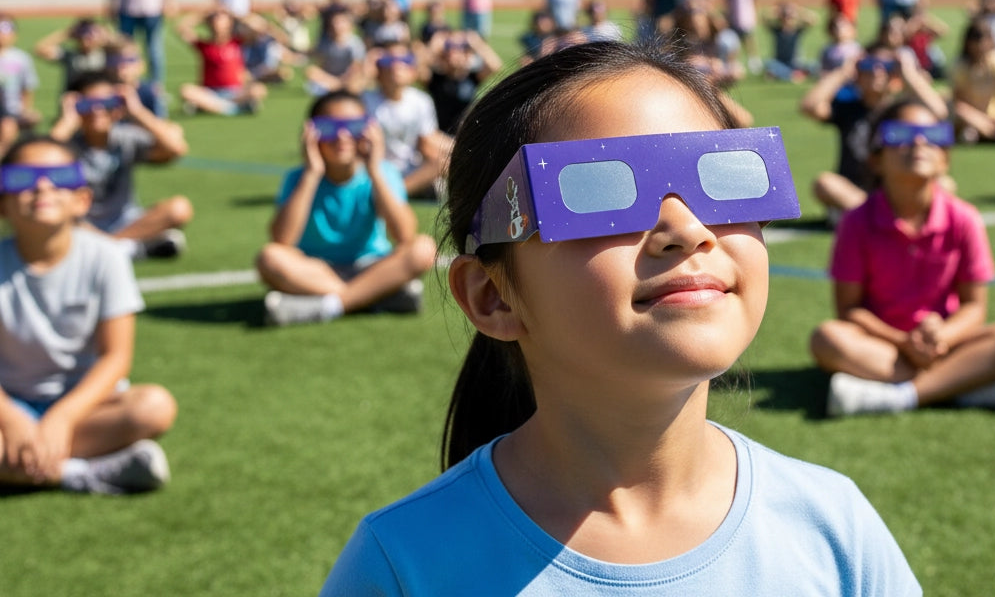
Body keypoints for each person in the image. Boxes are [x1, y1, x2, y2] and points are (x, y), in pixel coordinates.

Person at [320, 41, 921, 595]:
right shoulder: (402, 565)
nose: (686, 229)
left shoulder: (835, 529)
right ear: (493, 297)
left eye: (724, 175)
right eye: (600, 190)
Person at [809, 98, 995, 416]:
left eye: (934, 135)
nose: (919, 143)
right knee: (827, 339)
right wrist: (903, 341)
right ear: (875, 159)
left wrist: (943, 337)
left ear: (945, 159)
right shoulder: (856, 221)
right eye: (900, 135)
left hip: (946, 342)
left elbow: (974, 307)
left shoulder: (965, 218)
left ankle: (900, 396)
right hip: (884, 346)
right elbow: (849, 310)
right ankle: (964, 382)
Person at [0, 136, 177, 494]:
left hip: (85, 407)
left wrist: (62, 418)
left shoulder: (106, 257)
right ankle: (80, 473)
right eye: (22, 179)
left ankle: (30, 462)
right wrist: (12, 419)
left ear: (82, 199)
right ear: (3, 202)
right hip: (7, 406)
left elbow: (116, 357)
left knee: (154, 406)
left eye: (60, 177)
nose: (43, 186)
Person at [256, 90, 436, 327]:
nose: (342, 136)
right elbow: (282, 239)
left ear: (369, 130)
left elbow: (404, 234)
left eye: (354, 126)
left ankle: (330, 306)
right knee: (269, 258)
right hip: (316, 272)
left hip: (371, 266)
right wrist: (312, 174)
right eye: (328, 127)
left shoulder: (383, 172)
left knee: (424, 248)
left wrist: (374, 170)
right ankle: (375, 297)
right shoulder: (299, 177)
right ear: (311, 133)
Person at [51, 72, 193, 260]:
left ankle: (109, 249)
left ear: (117, 108)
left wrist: (136, 111)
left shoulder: (124, 137)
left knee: (179, 208)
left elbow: (176, 148)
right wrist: (66, 122)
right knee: (52, 219)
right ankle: (130, 249)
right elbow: (35, 165)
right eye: (87, 105)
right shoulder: (66, 146)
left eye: (107, 103)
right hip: (81, 225)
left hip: (127, 223)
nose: (97, 111)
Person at [801, 46, 948, 220]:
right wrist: (842, 72)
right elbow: (809, 106)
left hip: (896, 187)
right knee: (825, 183)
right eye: (868, 66)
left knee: (946, 184)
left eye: (885, 67)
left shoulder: (901, 113)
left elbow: (940, 113)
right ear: (858, 75)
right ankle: (880, 213)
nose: (877, 72)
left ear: (894, 76)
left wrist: (908, 74)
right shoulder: (848, 108)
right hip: (853, 189)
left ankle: (874, 215)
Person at [362, 46, 445, 198]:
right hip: (374, 166)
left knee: (443, 162)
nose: (396, 66)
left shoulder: (421, 101)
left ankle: (395, 193)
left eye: (404, 61)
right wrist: (365, 66)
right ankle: (396, 193)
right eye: (388, 61)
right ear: (378, 72)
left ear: (413, 72)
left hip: (409, 169)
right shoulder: (364, 100)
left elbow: (427, 142)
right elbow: (339, 97)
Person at [175, 9, 267, 116]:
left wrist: (236, 16)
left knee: (258, 90)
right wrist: (203, 16)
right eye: (215, 22)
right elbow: (180, 28)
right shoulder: (204, 45)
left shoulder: (237, 43)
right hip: (210, 93)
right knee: (186, 91)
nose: (219, 27)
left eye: (223, 23)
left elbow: (260, 27)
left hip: (235, 92)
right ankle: (234, 109)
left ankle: (210, 107)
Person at [950, 18, 995, 143]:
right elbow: (959, 103)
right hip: (973, 119)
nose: (981, 47)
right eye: (977, 42)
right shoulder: (961, 66)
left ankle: (993, 135)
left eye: (985, 41)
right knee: (963, 121)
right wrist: (983, 122)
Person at [425, 30, 502, 135]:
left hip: (463, 135)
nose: (454, 53)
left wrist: (477, 44)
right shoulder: (436, 78)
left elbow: (495, 66)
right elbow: (417, 66)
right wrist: (434, 45)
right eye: (450, 48)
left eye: (460, 48)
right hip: (439, 136)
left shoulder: (471, 78)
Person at [34, 18, 111, 95]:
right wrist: (68, 33)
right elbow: (40, 49)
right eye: (84, 35)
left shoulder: (108, 54)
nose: (87, 39)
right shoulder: (70, 55)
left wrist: (105, 35)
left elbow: (121, 44)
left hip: (97, 102)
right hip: (72, 102)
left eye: (91, 35)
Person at [305, 7, 367, 96]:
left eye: (341, 22)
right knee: (311, 71)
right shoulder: (324, 42)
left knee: (356, 79)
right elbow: (320, 64)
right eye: (335, 22)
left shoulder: (355, 43)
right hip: (330, 78)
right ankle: (338, 87)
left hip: (347, 77)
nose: (337, 25)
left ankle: (337, 87)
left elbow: (356, 67)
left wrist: (343, 79)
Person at [0, 15, 41, 129]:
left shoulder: (21, 58)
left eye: (6, 31)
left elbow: (28, 88)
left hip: (14, 110)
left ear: (14, 34)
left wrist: (26, 110)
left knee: (34, 117)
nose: (2, 35)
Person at [762, 1, 819, 82]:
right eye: (785, 16)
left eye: (789, 16)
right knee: (769, 64)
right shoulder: (777, 30)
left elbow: (813, 20)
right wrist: (777, 10)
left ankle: (789, 74)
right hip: (780, 62)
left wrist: (798, 10)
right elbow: (764, 18)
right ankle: (795, 74)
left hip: (796, 62)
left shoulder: (797, 30)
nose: (787, 19)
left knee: (814, 65)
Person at [723, 0, 760, 72]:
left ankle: (753, 61)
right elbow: (729, 4)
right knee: (734, 43)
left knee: (749, 41)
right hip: (734, 19)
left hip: (746, 19)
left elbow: (753, 3)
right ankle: (733, 63)